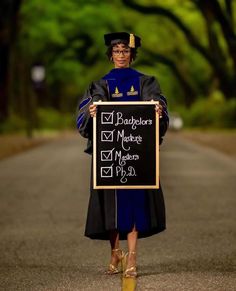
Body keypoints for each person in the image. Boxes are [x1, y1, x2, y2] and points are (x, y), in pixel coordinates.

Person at [77, 32, 169, 278]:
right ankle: (116, 251)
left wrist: (157, 109)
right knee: (111, 207)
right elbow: (86, 113)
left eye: (125, 51)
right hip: (109, 156)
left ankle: (132, 257)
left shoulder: (146, 82)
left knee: (135, 204)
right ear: (110, 56)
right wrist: (92, 111)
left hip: (138, 157)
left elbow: (155, 103)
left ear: (132, 55)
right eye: (116, 51)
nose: (120, 55)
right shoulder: (99, 85)